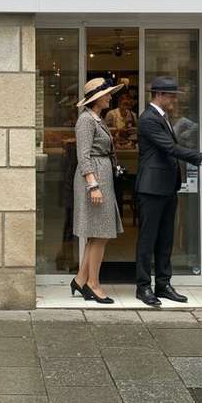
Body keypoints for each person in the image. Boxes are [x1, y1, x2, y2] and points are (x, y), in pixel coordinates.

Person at [135, 76, 202, 307]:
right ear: (159, 95)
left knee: (166, 239)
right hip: (151, 187)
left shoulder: (163, 118)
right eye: (172, 96)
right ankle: (143, 287)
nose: (174, 101)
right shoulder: (148, 118)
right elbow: (169, 148)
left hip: (167, 186)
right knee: (148, 240)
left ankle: (163, 285)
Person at [70, 77, 125, 304]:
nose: (111, 97)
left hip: (101, 177)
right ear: (97, 99)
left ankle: (81, 280)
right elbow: (83, 156)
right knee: (100, 234)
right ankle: (93, 283)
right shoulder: (86, 120)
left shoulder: (96, 118)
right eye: (107, 94)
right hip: (93, 179)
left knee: (97, 234)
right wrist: (93, 185)